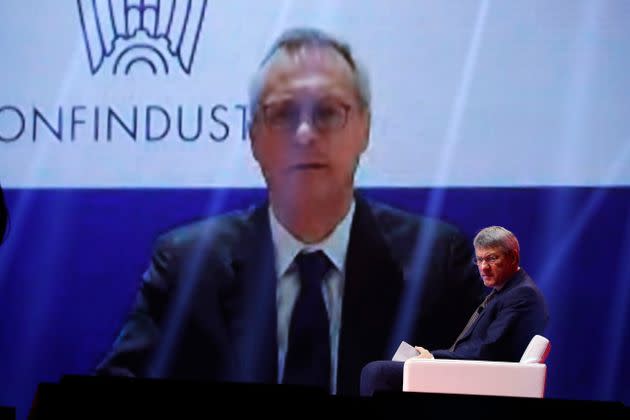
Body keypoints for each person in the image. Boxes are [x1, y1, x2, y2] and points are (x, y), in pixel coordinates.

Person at [95, 27, 483, 396]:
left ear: (364, 128)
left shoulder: (436, 265)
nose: (304, 134)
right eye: (282, 114)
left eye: (328, 113)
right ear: (254, 138)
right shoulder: (189, 267)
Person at [359, 225, 549, 396]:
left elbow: (489, 350)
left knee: (377, 372)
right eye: (479, 260)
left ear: (513, 257)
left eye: (492, 258)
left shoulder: (522, 295)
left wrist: (433, 358)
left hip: (477, 378)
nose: (484, 267)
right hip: (466, 370)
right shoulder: (507, 291)